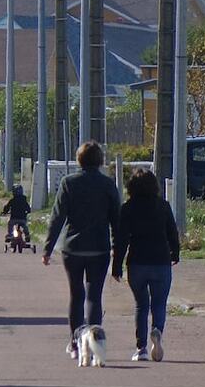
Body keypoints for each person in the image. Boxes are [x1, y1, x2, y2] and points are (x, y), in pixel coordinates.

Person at [42, 140, 120, 359]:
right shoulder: (107, 185)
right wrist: (118, 248)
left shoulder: (69, 183)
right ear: (100, 161)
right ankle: (95, 342)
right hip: (99, 248)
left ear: (79, 160)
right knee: (94, 295)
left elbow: (57, 217)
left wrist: (48, 249)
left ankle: (76, 343)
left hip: (73, 248)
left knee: (76, 295)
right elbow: (117, 219)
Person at [112, 169, 180, 362]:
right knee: (159, 303)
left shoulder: (127, 208)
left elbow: (121, 239)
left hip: (137, 262)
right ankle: (157, 330)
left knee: (141, 305)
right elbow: (172, 232)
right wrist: (175, 253)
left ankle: (140, 348)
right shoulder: (163, 206)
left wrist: (117, 266)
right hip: (160, 261)